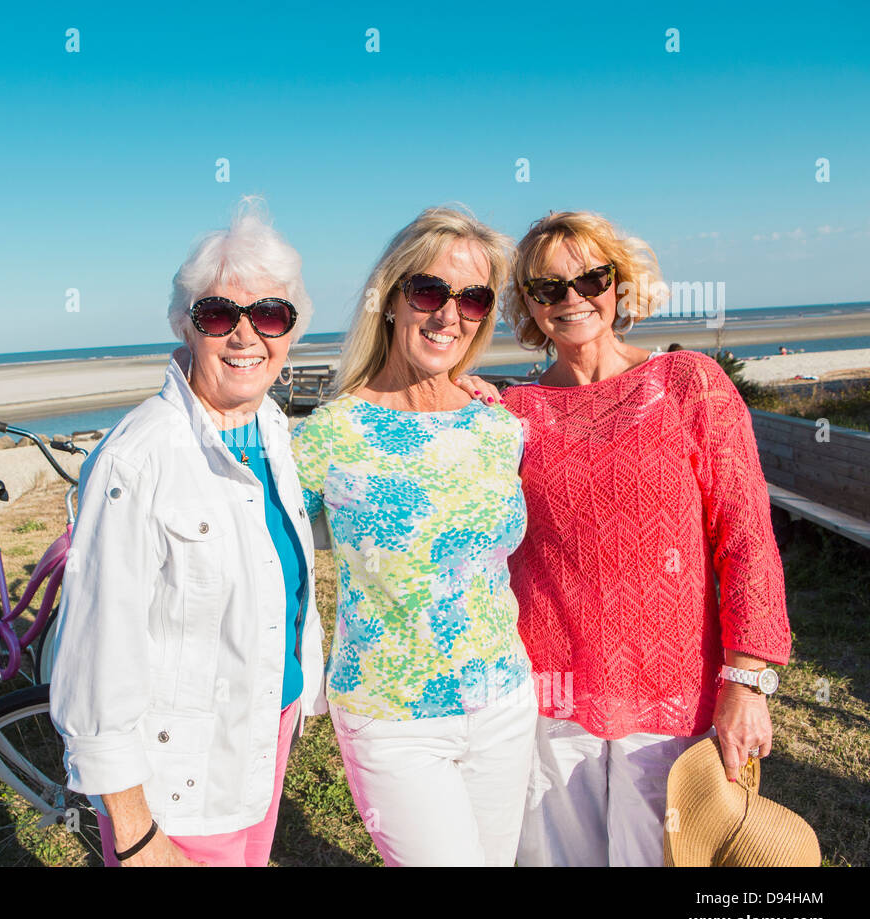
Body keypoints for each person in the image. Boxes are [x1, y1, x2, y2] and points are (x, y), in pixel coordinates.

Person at [492, 210, 792, 867]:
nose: (571, 299)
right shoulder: (512, 413)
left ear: (620, 284)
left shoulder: (688, 385)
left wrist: (746, 682)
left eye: (590, 278)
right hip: (549, 696)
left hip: (671, 693)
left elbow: (746, 537)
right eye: (547, 289)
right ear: (529, 306)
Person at [48, 200, 326, 867]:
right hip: (184, 780)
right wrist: (137, 832)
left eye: (269, 315)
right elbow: (93, 653)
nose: (245, 336)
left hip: (263, 736)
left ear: (292, 331)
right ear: (186, 324)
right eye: (218, 315)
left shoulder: (275, 434)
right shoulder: (136, 458)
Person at [291, 207, 536, 866]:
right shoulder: (331, 434)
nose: (448, 314)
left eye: (474, 298)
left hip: (505, 701)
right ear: (392, 300)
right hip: (391, 717)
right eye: (429, 291)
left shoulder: (498, 427)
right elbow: (250, 541)